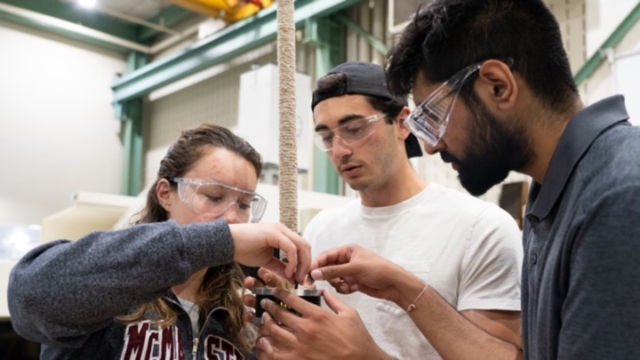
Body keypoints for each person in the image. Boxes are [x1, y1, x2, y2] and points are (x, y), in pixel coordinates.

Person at [380, 0, 640, 358]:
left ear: (498, 86)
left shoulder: (618, 195)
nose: (430, 145)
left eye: (435, 115)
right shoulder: (553, 196)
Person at [256, 61, 523, 359]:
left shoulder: (481, 228)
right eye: (327, 137)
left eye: (355, 129)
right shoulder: (322, 228)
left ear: (401, 122)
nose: (341, 150)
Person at [8, 124, 311, 359]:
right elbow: (28, 296)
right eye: (214, 197)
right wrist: (217, 240)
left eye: (244, 204)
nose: (232, 218)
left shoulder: (242, 313)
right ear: (165, 193)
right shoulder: (109, 278)